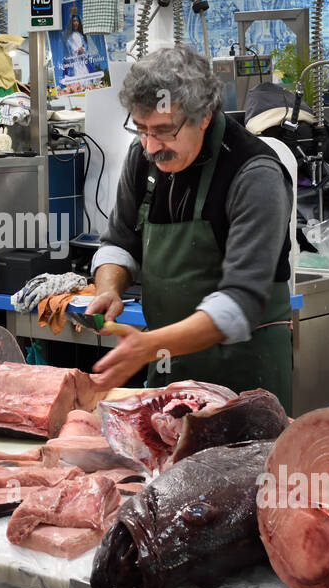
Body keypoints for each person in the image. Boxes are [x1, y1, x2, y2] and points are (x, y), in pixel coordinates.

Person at [84, 45, 294, 410]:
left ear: (205, 116)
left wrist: (149, 345)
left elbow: (240, 303)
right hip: (168, 371)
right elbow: (119, 242)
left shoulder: (254, 173)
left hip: (244, 378)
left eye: (164, 131)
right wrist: (108, 288)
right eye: (141, 129)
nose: (151, 146)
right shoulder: (143, 158)